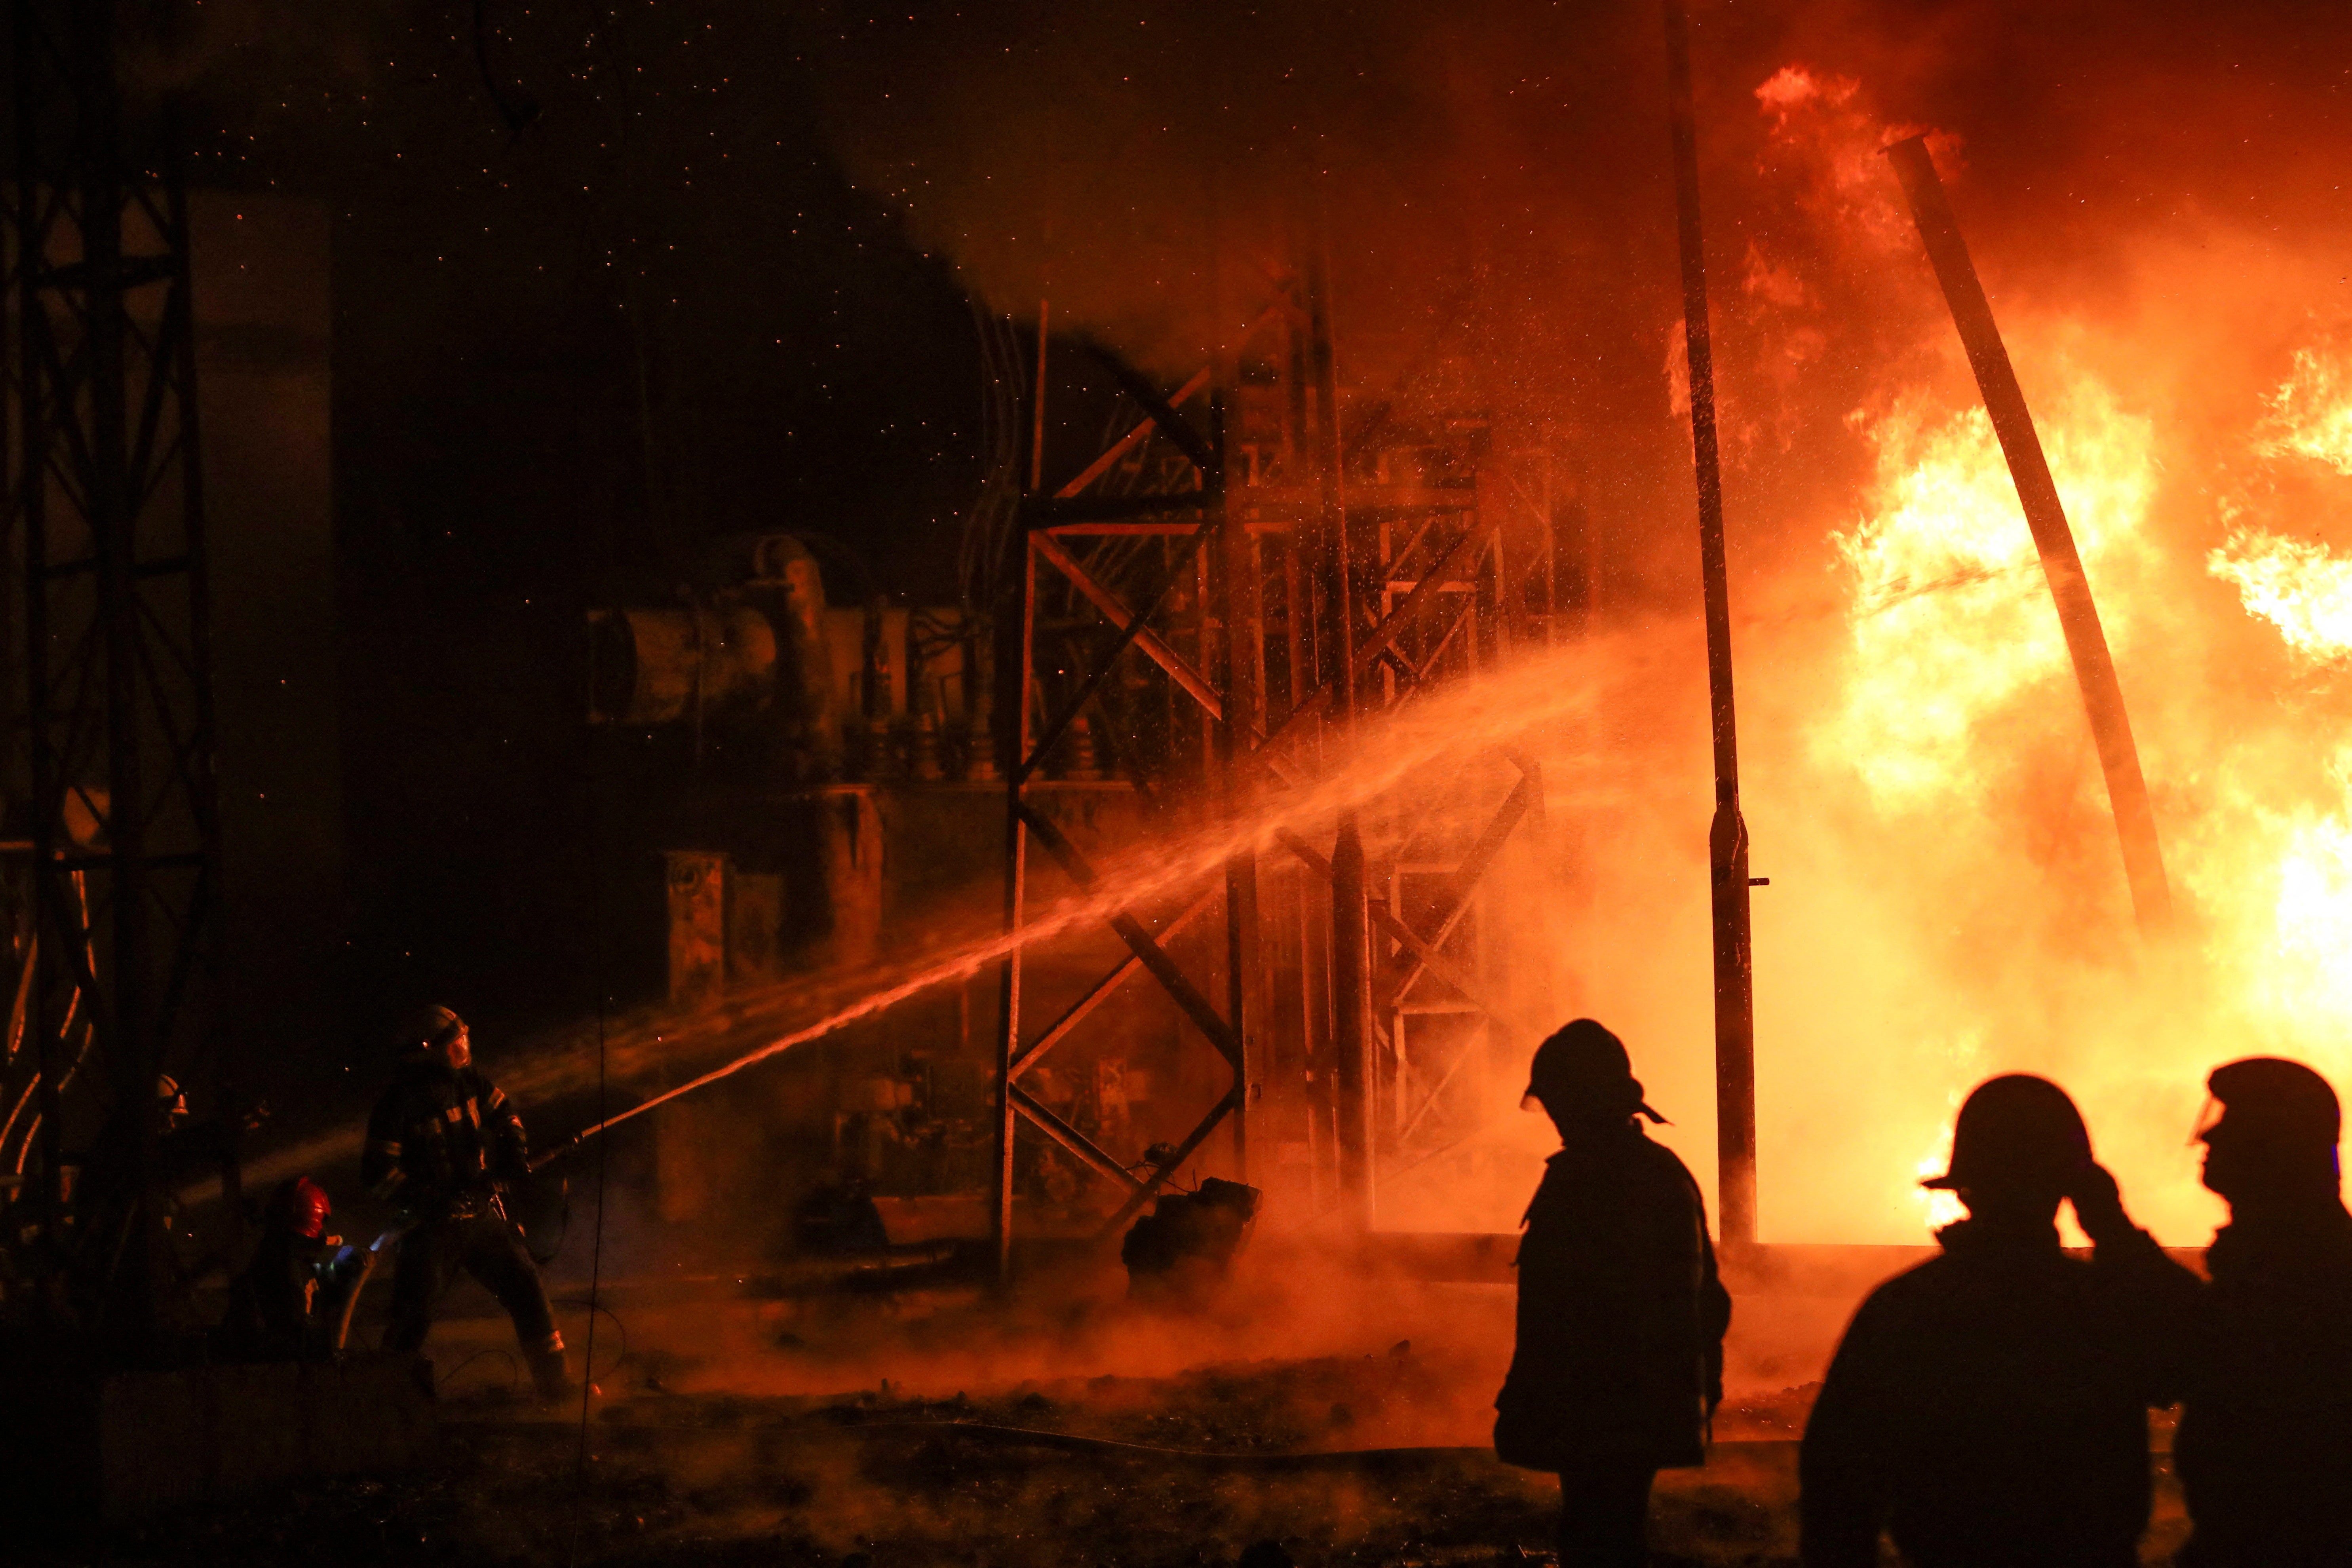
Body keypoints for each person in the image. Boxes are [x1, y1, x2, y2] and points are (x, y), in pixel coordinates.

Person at [1800, 1074, 2199, 1568]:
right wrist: (2113, 1228)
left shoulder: (1908, 1307)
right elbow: (2206, 1349)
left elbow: (1837, 1483)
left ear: (1965, 1191)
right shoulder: (2101, 1307)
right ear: (2067, 1188)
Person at [1492, 1019, 1731, 1568]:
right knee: (1605, 1530)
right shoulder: (1654, 1173)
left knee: (1598, 1538)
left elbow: (1573, 1311)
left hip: (1607, 1405)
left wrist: (1534, 1395)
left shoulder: (1598, 1180)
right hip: (1630, 1403)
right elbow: (1708, 1301)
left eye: (1559, 1103)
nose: (1555, 1118)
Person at [2175, 1057, 2352, 1567]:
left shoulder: (2296, 1275)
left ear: (2270, 1142)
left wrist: (2111, 1226)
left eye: (2230, 1122)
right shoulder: (2295, 1257)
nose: (2208, 1137)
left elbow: (2194, 1337)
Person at [361, 1005, 573, 1400]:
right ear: (430, 1049)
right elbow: (377, 1176)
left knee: (525, 1287)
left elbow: (505, 1116)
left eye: (462, 1038)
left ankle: (556, 1385)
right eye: (455, 1041)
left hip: (479, 1217)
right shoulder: (397, 1106)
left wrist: (513, 1152)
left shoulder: (471, 1082)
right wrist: (430, 1197)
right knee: (413, 1315)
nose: (464, 1047)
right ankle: (382, 1400)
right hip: (429, 1229)